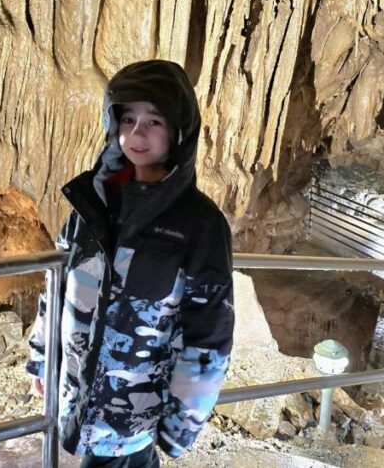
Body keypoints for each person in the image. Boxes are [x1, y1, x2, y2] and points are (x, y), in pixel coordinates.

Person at [27, 60, 235, 467]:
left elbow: (209, 333)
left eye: (154, 120)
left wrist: (180, 427)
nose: (137, 133)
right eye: (128, 118)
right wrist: (41, 358)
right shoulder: (93, 201)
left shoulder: (198, 224)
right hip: (78, 396)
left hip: (134, 418)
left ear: (178, 130)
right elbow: (57, 290)